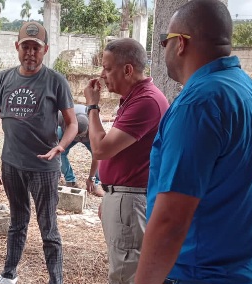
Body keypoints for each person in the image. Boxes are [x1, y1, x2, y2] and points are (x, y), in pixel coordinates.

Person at [134, 1, 252, 283]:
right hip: (245, 270)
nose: (164, 50)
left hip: (199, 273)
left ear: (181, 44)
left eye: (165, 41)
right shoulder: (248, 90)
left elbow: (170, 220)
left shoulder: (199, 104)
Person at [0, 21, 78, 284]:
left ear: (45, 49)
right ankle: (8, 274)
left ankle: (55, 280)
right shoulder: (3, 79)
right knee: (17, 222)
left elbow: (71, 123)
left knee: (48, 229)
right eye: (25, 47)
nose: (30, 53)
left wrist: (61, 146)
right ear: (17, 47)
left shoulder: (55, 81)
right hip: (12, 164)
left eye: (36, 48)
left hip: (44, 167)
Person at [83, 38, 169, 284]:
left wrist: (92, 107)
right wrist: (111, 197)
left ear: (128, 70)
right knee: (124, 267)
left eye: (108, 68)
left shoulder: (146, 102)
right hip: (124, 198)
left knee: (125, 274)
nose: (102, 75)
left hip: (130, 200)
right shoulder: (136, 98)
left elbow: (100, 148)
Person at [57, 104, 103, 196]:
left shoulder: (95, 125)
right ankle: (71, 181)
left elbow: (96, 156)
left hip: (89, 137)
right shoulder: (62, 116)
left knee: (100, 155)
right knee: (59, 152)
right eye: (76, 134)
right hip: (68, 132)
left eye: (80, 135)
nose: (78, 137)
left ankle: (96, 184)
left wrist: (91, 178)